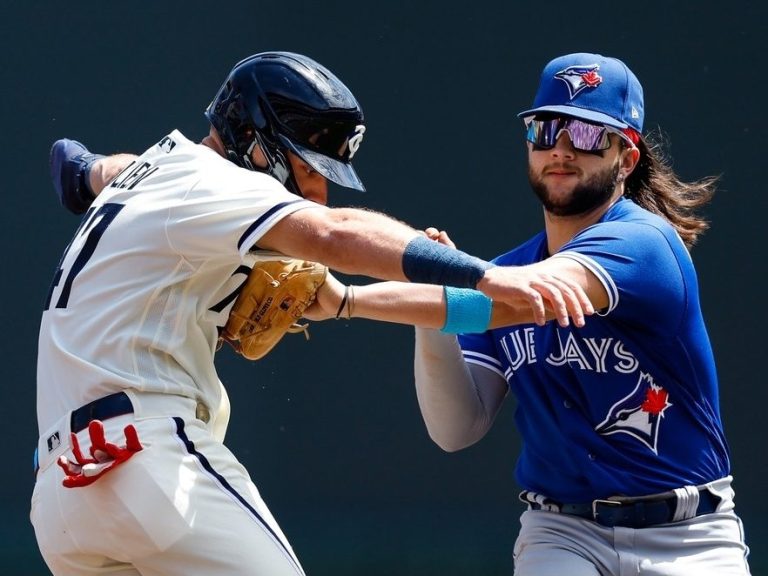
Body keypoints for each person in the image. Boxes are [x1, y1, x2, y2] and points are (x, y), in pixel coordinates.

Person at [33, 51, 592, 576]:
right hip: (144, 463)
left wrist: (87, 174)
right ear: (253, 142)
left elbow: (75, 166)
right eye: (309, 167)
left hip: (63, 496)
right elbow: (336, 232)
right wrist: (484, 273)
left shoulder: (157, 173)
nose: (318, 191)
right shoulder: (213, 180)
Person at [306, 53, 752, 575]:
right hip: (562, 535)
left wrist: (348, 301)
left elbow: (521, 301)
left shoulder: (643, 244)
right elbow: (456, 428)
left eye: (587, 135)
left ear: (626, 159)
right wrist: (431, 308)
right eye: (546, 130)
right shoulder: (504, 272)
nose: (560, 150)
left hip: (687, 536)